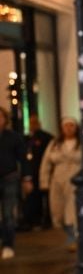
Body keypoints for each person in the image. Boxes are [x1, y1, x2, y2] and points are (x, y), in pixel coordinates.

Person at [40, 117, 83, 250]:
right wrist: (44, 181)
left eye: (71, 125)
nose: (69, 128)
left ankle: (73, 237)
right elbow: (46, 163)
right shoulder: (55, 144)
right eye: (66, 126)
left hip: (75, 181)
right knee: (57, 212)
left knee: (71, 211)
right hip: (57, 181)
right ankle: (69, 232)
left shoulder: (82, 143)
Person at [0, 107, 26, 260]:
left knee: (8, 214)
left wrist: (26, 178)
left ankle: (8, 244)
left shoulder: (13, 137)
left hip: (10, 178)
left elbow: (22, 159)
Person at [21, 114, 54, 230]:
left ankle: (46, 220)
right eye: (31, 123)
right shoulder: (27, 139)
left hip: (43, 171)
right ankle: (34, 220)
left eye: (35, 123)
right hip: (32, 172)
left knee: (46, 196)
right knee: (33, 197)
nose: (32, 125)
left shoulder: (46, 137)